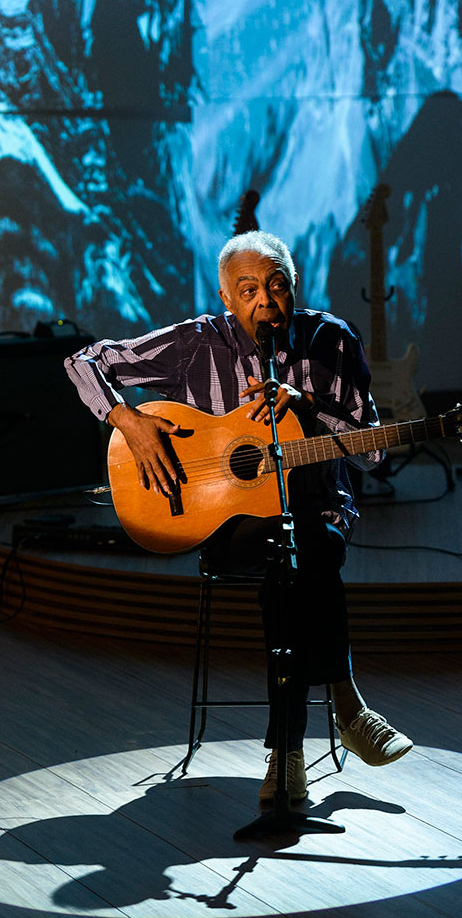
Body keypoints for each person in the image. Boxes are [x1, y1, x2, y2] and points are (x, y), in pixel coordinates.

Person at [65, 230, 412, 803]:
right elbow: (83, 363)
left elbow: (373, 453)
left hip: (318, 509)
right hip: (223, 521)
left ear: (294, 288)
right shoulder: (197, 343)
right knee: (299, 556)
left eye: (276, 286)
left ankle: (288, 754)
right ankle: (348, 705)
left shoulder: (333, 341)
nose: (264, 300)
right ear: (227, 298)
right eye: (247, 289)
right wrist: (127, 421)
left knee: (303, 552)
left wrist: (308, 409)